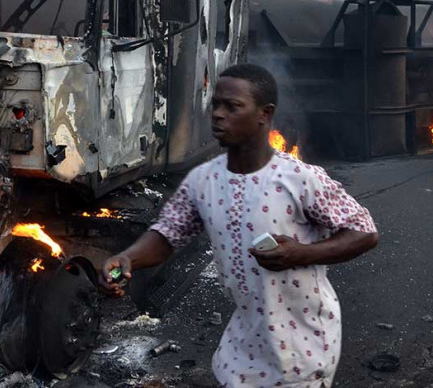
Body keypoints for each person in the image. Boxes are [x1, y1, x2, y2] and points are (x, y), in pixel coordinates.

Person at [101, 63, 379, 387]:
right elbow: (167, 235)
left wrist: (301, 254)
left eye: (232, 106)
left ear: (265, 113)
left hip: (302, 347)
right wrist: (128, 258)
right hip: (241, 343)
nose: (218, 114)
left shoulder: (300, 178)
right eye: (215, 104)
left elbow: (364, 231)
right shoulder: (203, 181)